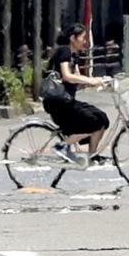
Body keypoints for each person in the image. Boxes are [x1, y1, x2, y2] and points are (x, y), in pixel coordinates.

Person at [43, 24, 110, 165]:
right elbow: (67, 76)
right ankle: (62, 146)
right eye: (83, 38)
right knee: (93, 121)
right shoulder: (64, 51)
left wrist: (102, 81)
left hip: (66, 101)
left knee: (101, 118)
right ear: (73, 38)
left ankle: (92, 156)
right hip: (58, 102)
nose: (85, 41)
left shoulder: (73, 55)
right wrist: (91, 80)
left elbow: (78, 78)